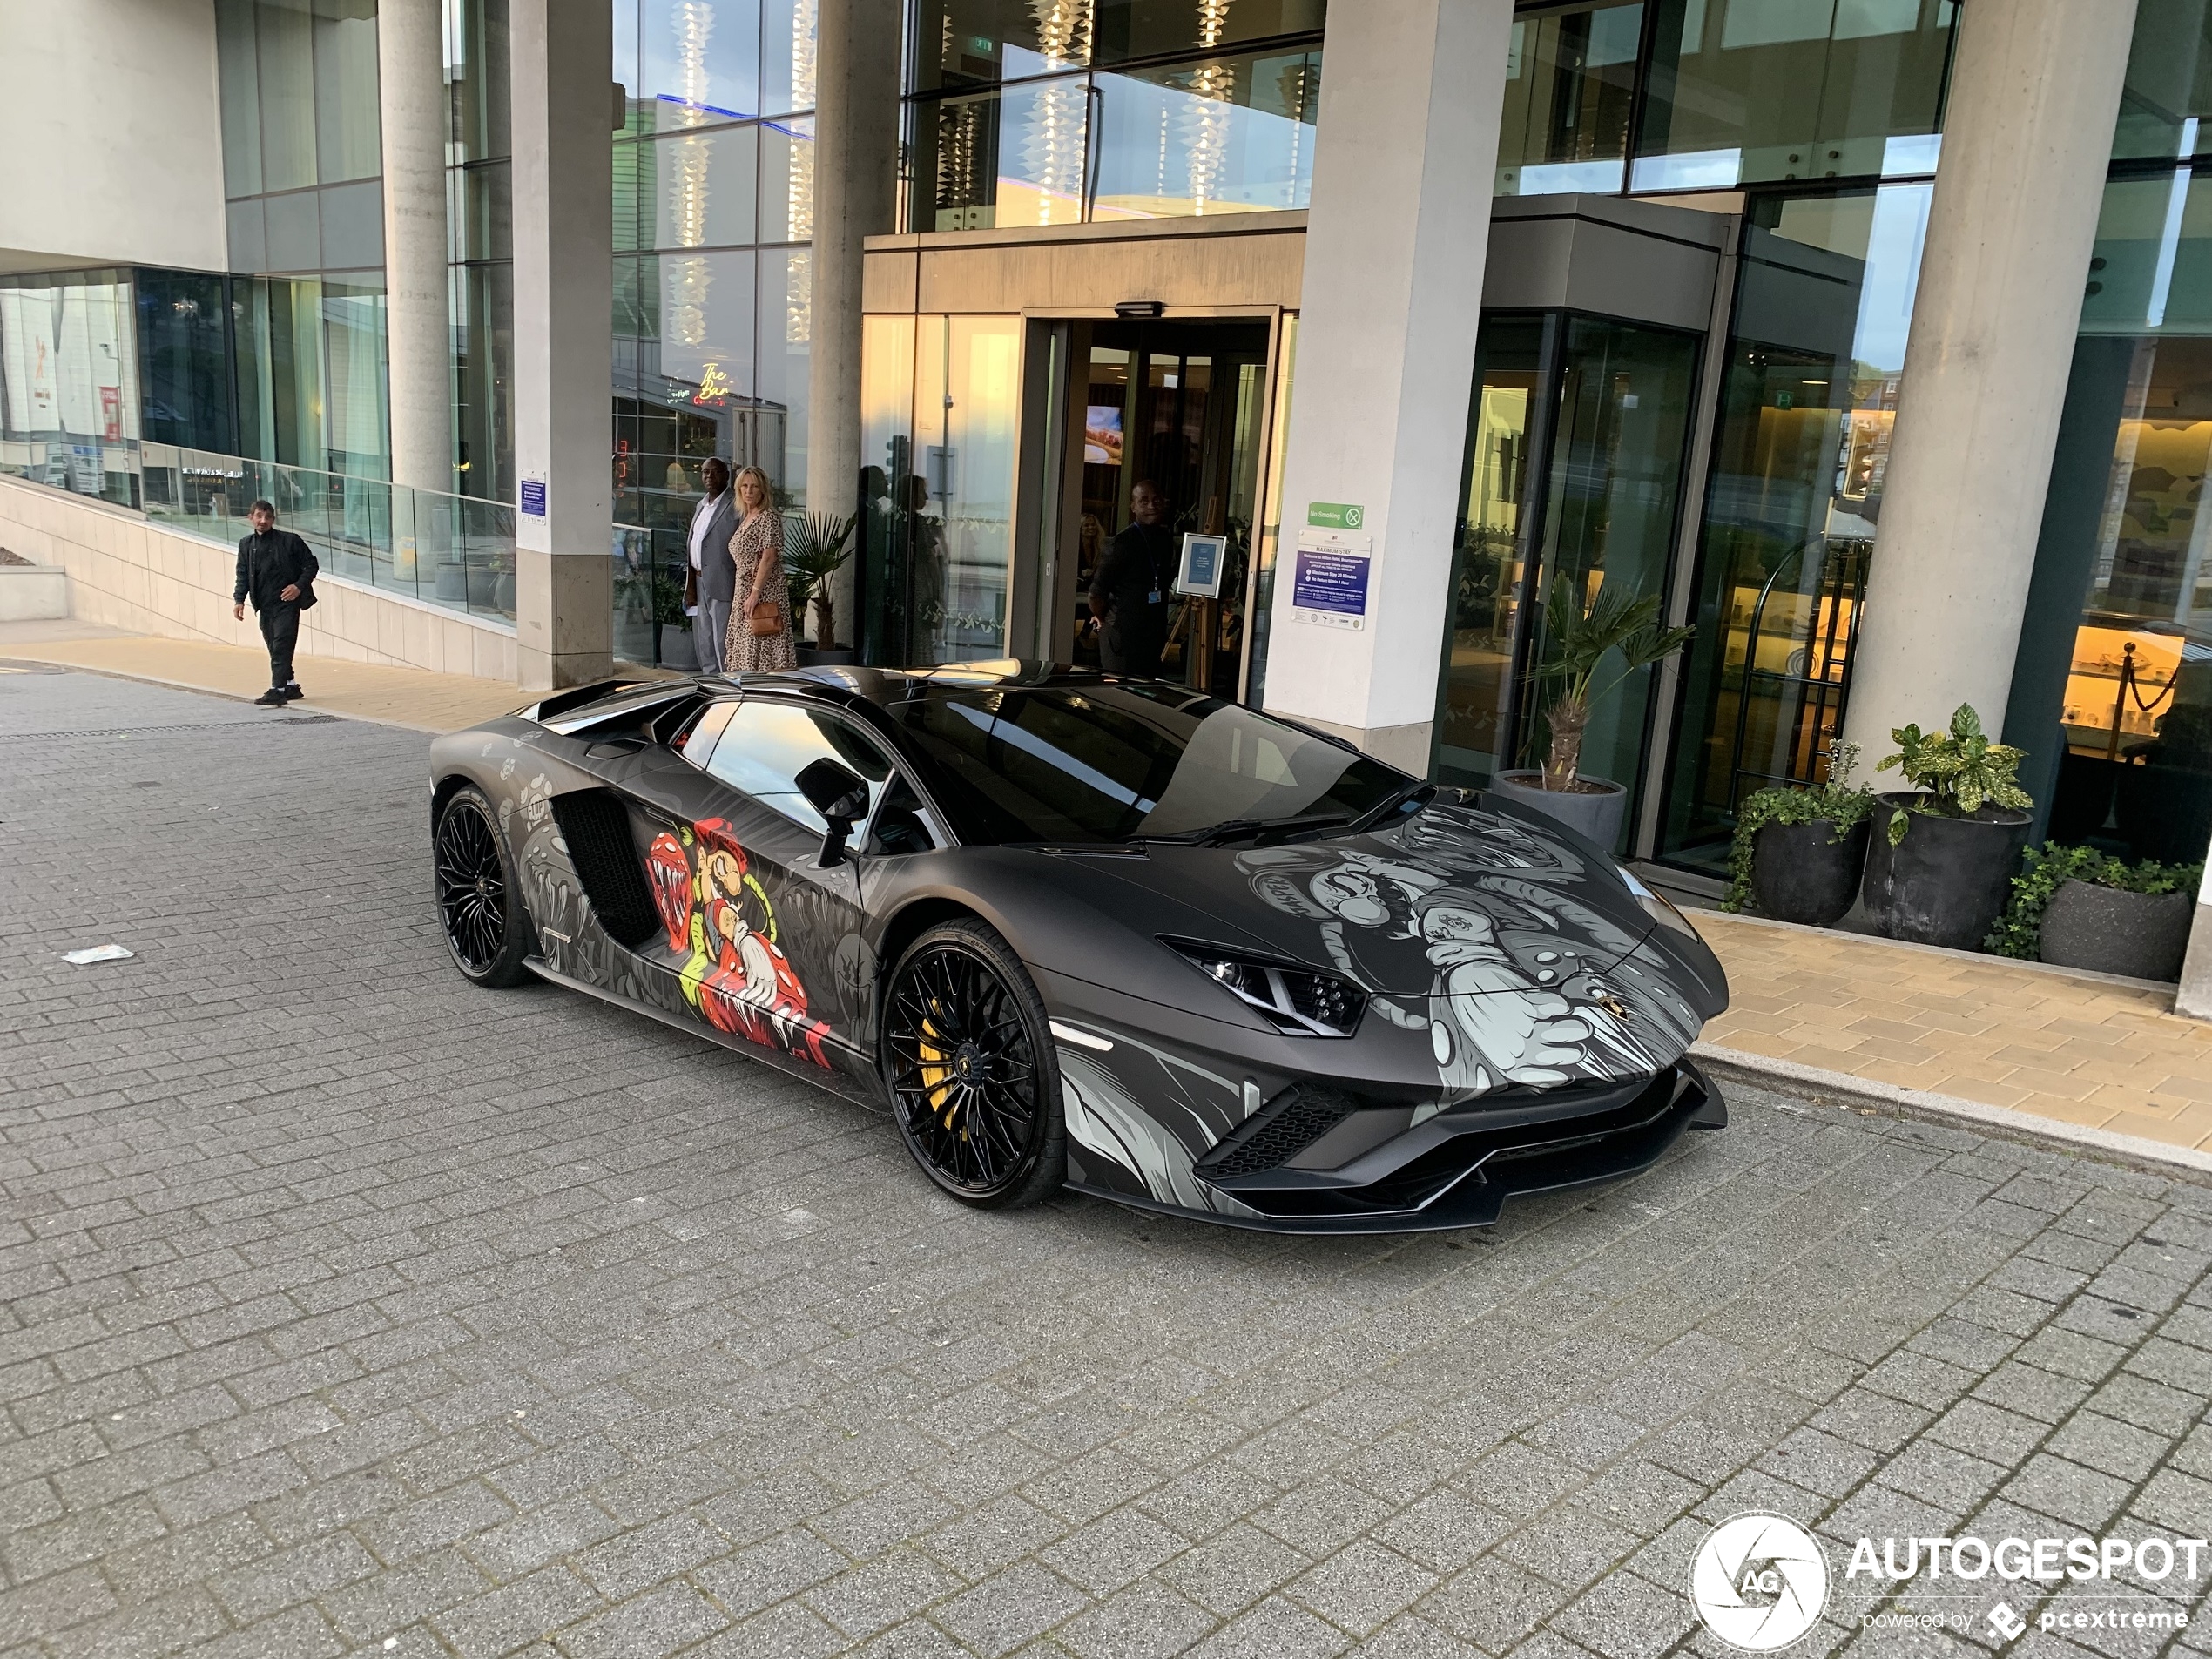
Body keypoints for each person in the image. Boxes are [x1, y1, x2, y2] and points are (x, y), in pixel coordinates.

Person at [232, 498, 319, 706]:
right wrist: (239, 600)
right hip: (264, 604)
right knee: (274, 645)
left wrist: (298, 586)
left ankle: (277, 689)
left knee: (282, 643)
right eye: (259, 516)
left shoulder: (290, 540)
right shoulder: (246, 544)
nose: (263, 521)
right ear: (250, 517)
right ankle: (290, 685)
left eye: (268, 517)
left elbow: (311, 564)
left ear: (273, 519)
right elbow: (242, 573)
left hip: (287, 603)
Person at [1089, 480, 1178, 678]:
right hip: (1122, 636)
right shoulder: (1121, 543)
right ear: (1133, 507)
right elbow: (1096, 594)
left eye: (1156, 500)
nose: (1151, 506)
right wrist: (1104, 619)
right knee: (1120, 696)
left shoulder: (1165, 540)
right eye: (1144, 501)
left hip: (1152, 635)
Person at [724, 464, 797, 672]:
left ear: (762, 489)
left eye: (754, 486)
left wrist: (755, 593)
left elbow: (769, 555)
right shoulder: (748, 517)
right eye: (744, 486)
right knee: (745, 644)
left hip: (763, 592)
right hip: (744, 590)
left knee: (762, 640)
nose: (748, 491)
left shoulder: (768, 517)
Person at [687, 456, 738, 673]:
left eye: (715, 471)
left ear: (726, 476)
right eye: (705, 472)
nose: (709, 476)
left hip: (723, 582)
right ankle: (711, 686)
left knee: (723, 642)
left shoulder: (736, 504)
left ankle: (729, 686)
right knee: (705, 642)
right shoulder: (701, 505)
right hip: (699, 581)